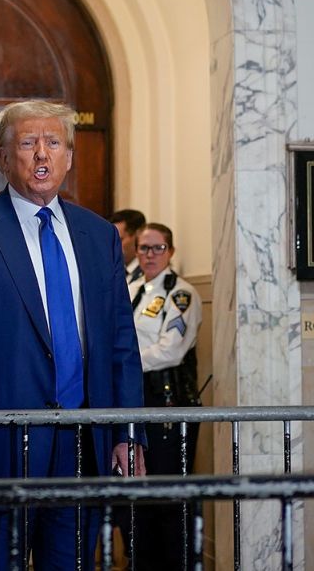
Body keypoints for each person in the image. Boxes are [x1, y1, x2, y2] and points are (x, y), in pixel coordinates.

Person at [0, 100, 145, 571]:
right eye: (27, 143)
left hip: (83, 446)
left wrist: (128, 429)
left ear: (69, 157)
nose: (42, 154)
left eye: (53, 143)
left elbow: (120, 341)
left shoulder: (98, 235)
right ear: (2, 158)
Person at [127, 223, 202, 570]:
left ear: (170, 252)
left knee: (169, 494)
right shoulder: (132, 288)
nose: (150, 255)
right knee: (138, 492)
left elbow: (171, 351)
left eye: (157, 248)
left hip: (167, 404)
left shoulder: (181, 294)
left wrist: (124, 365)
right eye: (144, 248)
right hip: (135, 400)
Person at [110, 208, 147, 284]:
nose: (113, 245)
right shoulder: (113, 271)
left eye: (119, 240)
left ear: (138, 237)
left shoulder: (150, 271)